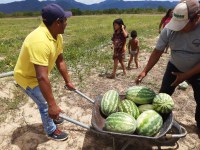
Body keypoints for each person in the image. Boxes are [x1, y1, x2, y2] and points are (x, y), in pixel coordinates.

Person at [135, 0, 200, 131]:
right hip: (174, 67)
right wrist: (145, 71)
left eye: (183, 24)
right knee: (163, 95)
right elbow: (158, 51)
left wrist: (185, 76)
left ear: (196, 18)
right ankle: (158, 120)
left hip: (197, 70)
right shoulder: (169, 29)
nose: (178, 28)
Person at [14, 4, 75, 141]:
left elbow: (60, 61)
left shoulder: (57, 35)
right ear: (58, 22)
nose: (67, 23)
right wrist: (52, 106)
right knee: (45, 104)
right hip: (27, 78)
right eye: (65, 20)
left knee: (49, 99)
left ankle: (52, 115)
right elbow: (41, 77)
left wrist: (68, 81)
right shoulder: (39, 40)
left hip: (39, 76)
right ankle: (51, 130)